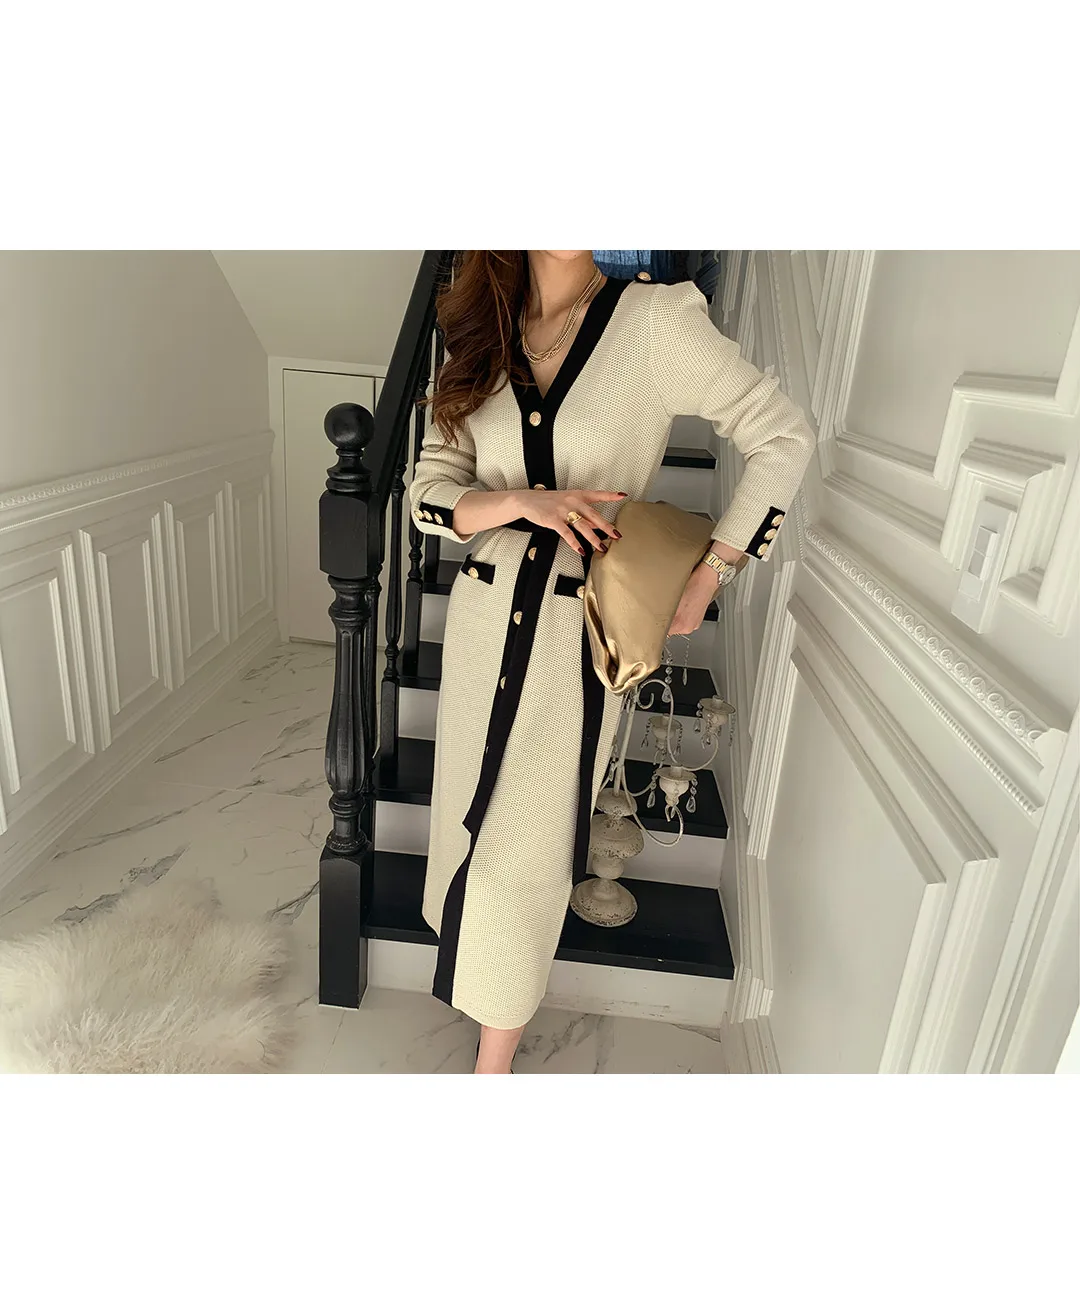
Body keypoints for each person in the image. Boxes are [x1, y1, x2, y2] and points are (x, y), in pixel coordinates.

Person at [409, 250, 815, 1073]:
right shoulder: (480, 327)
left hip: (574, 636)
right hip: (484, 623)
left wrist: (712, 573)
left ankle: (493, 1063)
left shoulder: (655, 322)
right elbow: (429, 491)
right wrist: (520, 501)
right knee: (467, 826)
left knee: (526, 848)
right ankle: (481, 995)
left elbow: (784, 435)